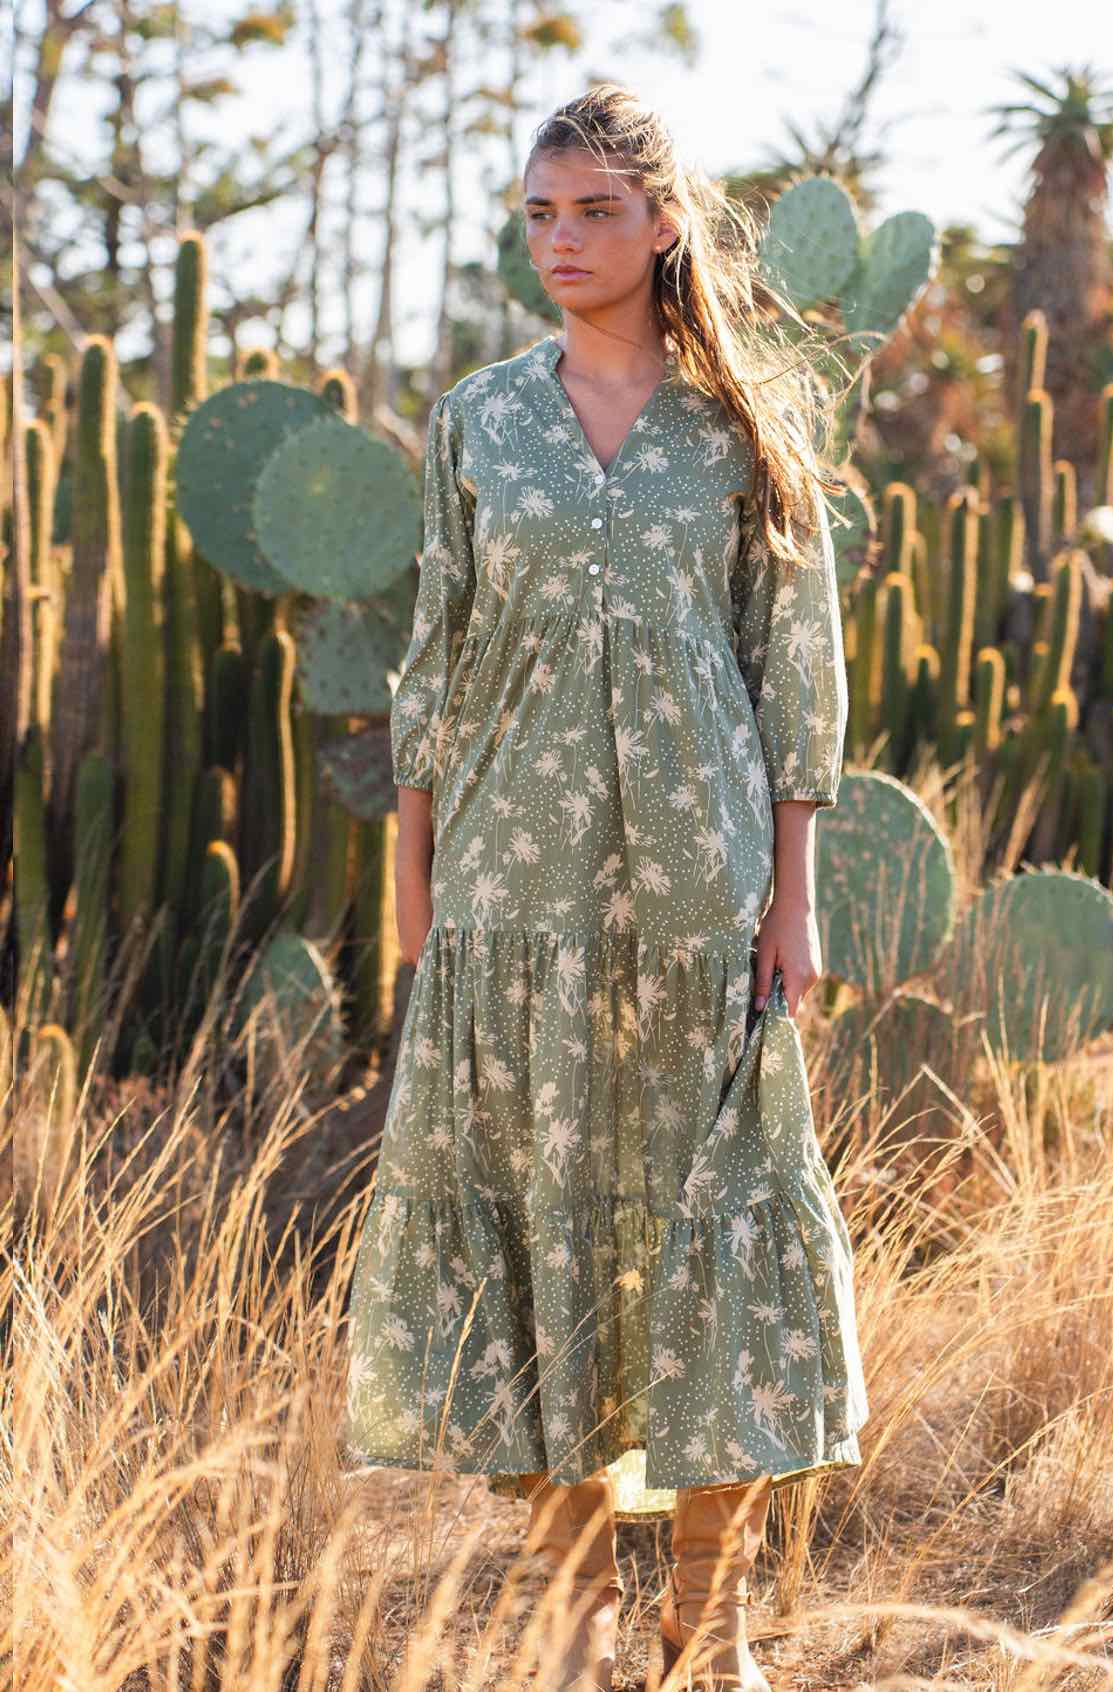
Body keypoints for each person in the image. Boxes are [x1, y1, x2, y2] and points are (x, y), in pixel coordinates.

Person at [338, 82, 869, 1692]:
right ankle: (574, 1635)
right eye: (538, 214)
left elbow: (794, 667)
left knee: (720, 1232)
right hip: (515, 885)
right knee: (537, 1237)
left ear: (659, 223)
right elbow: (433, 663)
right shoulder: (481, 421)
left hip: (707, 886)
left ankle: (713, 1641)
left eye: (589, 211)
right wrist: (416, 883)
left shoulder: (739, 430)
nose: (559, 240)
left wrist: (797, 889)